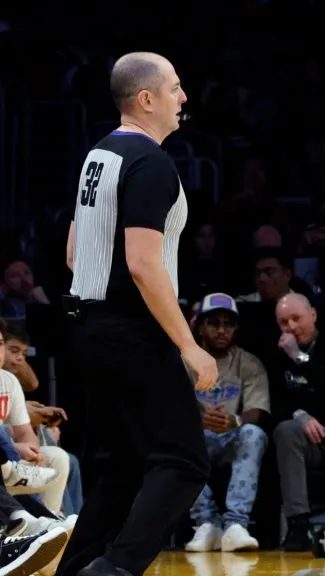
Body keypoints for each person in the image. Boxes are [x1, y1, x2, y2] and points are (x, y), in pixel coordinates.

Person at [58, 52, 215, 576]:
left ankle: (78, 569)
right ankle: (116, 569)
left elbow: (74, 255)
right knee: (184, 461)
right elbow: (144, 265)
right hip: (132, 332)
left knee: (119, 468)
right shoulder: (151, 163)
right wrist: (189, 345)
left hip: (89, 328)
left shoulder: (97, 155)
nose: (184, 97)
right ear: (146, 99)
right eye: (175, 88)